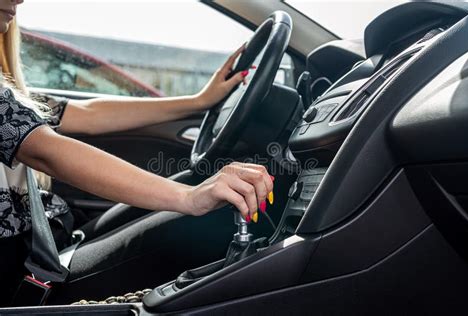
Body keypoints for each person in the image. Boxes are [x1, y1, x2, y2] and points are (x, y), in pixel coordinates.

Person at [0, 0, 273, 306]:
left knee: (193, 190)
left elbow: (86, 113)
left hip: (48, 237)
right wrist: (188, 198)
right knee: (205, 220)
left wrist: (197, 101)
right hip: (27, 270)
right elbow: (44, 149)